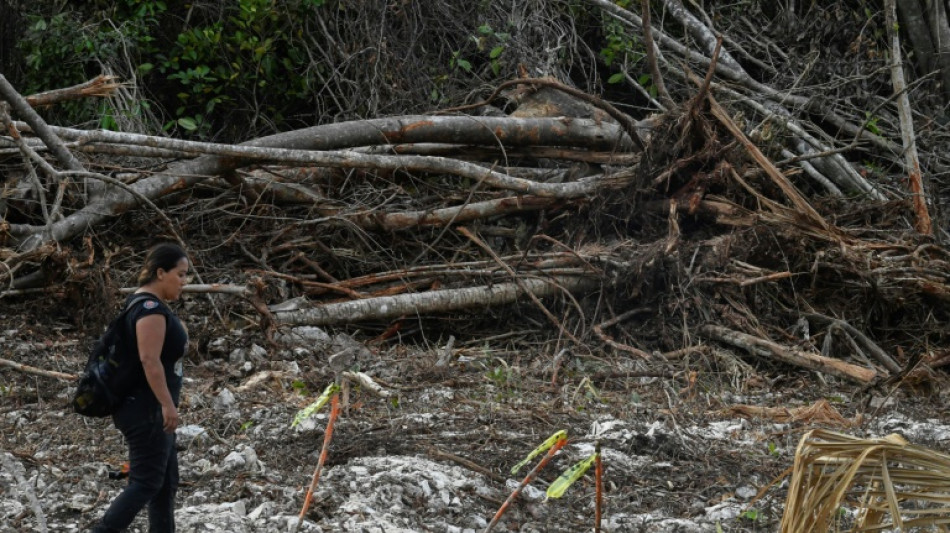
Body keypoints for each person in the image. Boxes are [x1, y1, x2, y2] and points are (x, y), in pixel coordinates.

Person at [92, 242, 190, 533]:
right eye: (180, 275)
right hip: (147, 410)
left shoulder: (142, 305)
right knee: (146, 482)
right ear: (161, 273)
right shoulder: (150, 309)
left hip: (149, 409)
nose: (184, 282)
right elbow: (149, 359)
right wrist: (167, 404)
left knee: (165, 483)